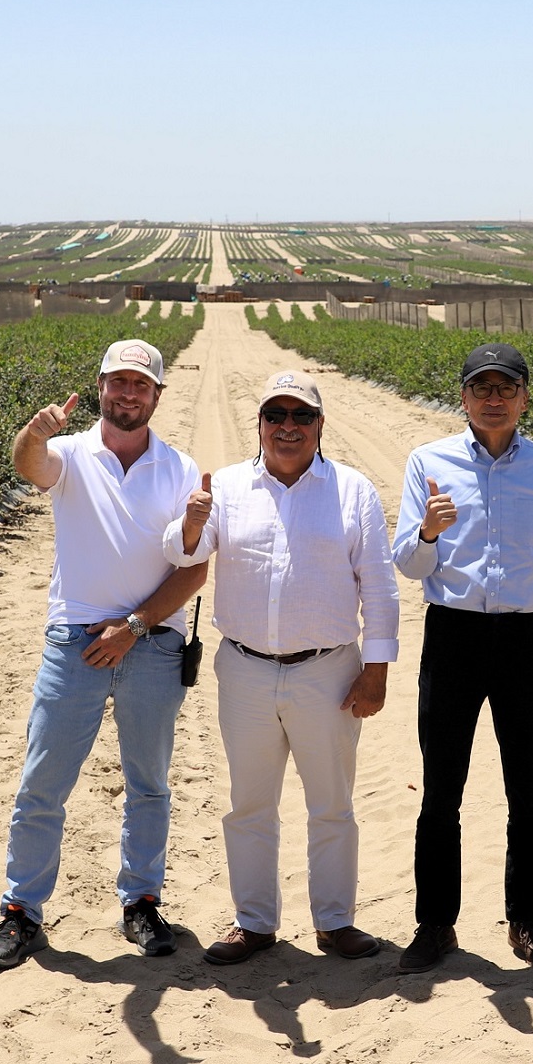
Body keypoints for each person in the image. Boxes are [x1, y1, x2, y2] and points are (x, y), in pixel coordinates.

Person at [0, 338, 207, 973]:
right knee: (43, 783)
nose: (128, 394)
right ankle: (21, 913)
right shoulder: (70, 455)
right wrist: (34, 429)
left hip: (152, 646)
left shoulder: (181, 470)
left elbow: (193, 572)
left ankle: (141, 902)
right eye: (118, 383)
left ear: (157, 395)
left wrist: (132, 626)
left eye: (141, 385)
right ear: (101, 388)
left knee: (149, 785)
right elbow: (29, 466)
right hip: (72, 645)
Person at [164, 370, 398, 965]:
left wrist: (377, 669)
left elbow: (379, 585)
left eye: (301, 416)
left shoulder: (352, 491)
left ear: (320, 426)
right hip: (244, 669)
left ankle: (335, 922)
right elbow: (185, 553)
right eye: (276, 415)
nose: (288, 427)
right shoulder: (228, 488)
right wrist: (191, 522)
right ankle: (255, 922)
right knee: (249, 803)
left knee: (331, 803)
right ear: (260, 424)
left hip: (328, 671)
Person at [391, 342, 533, 974]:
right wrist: (428, 532)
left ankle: (528, 922)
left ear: (526, 396)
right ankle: (434, 926)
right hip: (452, 636)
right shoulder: (430, 463)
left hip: (525, 641)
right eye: (482, 388)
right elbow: (406, 562)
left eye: (507, 387)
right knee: (441, 790)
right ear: (464, 397)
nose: (494, 398)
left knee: (526, 791)